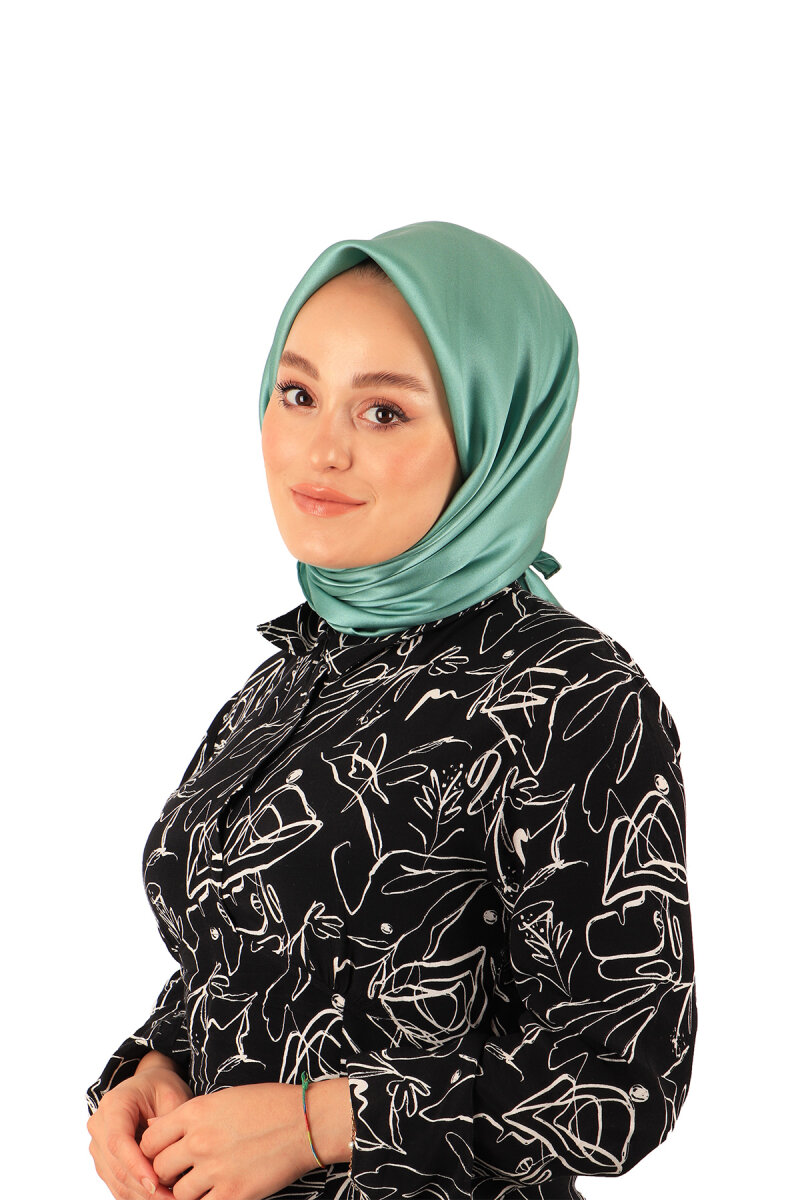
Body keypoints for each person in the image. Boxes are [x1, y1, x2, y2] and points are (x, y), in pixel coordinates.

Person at [86, 220, 697, 1200]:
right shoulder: (288, 680)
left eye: (383, 412)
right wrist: (153, 1064)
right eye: (298, 394)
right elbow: (250, 958)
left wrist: (318, 1124)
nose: (321, 449)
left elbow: (622, 1076)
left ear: (495, 437)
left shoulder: (567, 695)